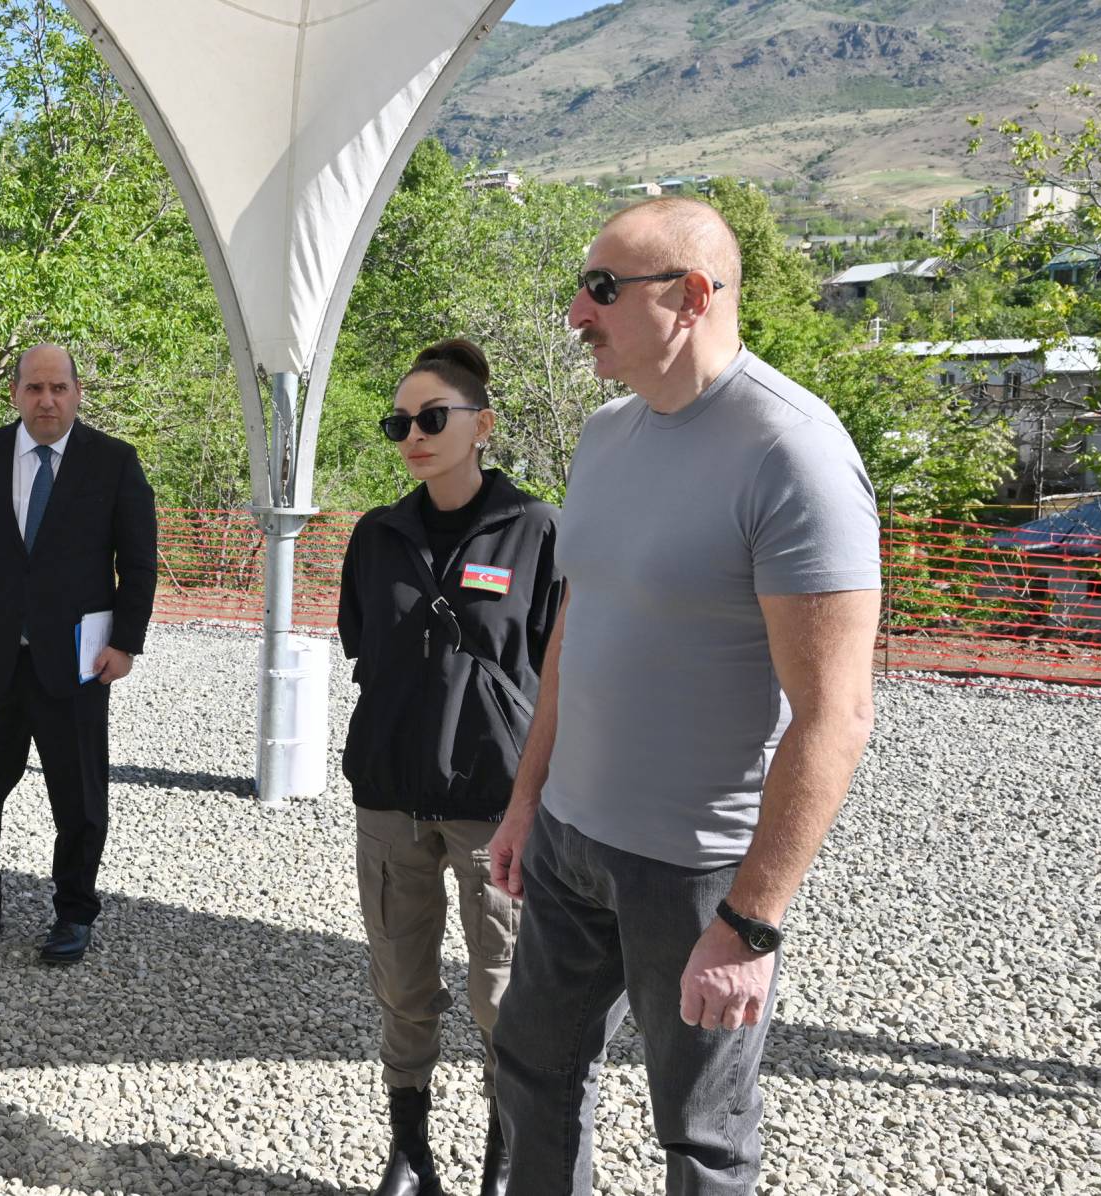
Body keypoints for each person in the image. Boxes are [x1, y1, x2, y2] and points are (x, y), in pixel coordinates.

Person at [485, 197, 881, 1194]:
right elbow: (575, 628)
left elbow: (834, 714)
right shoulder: (605, 434)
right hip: (568, 844)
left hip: (693, 872)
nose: (576, 311)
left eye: (601, 289)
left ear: (691, 296)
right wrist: (526, 802)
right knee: (530, 1079)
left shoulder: (792, 453)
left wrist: (748, 924)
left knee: (700, 1138)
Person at [337, 339, 563, 1196]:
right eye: (400, 422)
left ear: (483, 425)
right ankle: (411, 1153)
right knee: (402, 983)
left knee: (502, 996)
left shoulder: (539, 532)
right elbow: (367, 644)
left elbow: (558, 667)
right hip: (391, 798)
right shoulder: (377, 536)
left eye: (433, 418)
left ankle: (501, 1165)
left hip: (494, 807)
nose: (414, 436)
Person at [0, 343, 158, 967]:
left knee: (78, 800)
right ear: (16, 394)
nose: (46, 400)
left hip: (77, 665)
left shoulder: (114, 462)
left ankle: (73, 915)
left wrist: (126, 643)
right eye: (34, 389)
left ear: (77, 393)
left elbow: (136, 563)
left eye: (58, 388)